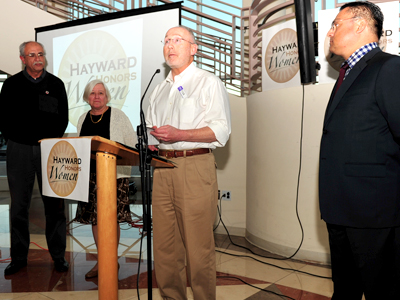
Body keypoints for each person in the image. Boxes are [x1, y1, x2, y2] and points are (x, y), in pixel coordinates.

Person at [319, 2, 400, 299]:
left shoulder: (389, 67)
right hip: (340, 208)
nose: (329, 32)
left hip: (374, 213)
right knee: (345, 291)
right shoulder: (347, 73)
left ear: (359, 25)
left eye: (336, 24)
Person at [146, 26, 231, 300]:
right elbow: (151, 129)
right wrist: (150, 141)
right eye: (167, 40)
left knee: (198, 247)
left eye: (178, 40)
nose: (170, 45)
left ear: (193, 48)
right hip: (162, 167)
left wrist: (181, 134)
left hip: (194, 167)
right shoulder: (158, 90)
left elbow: (221, 131)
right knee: (165, 247)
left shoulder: (208, 82)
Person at [0, 41, 69, 275]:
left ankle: (58, 256)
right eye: (32, 55)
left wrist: (48, 140)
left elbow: (63, 118)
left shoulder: (56, 84)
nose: (38, 58)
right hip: (19, 150)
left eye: (41, 54)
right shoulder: (10, 85)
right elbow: (3, 120)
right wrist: (18, 138)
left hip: (49, 149)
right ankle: (19, 258)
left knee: (55, 205)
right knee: (19, 206)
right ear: (23, 59)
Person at [74, 79, 137, 279]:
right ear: (87, 97)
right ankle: (103, 260)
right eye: (92, 93)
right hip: (90, 176)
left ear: (107, 96)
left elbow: (132, 145)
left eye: (100, 93)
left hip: (114, 177)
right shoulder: (83, 117)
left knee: (111, 219)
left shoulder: (117, 116)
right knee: (95, 218)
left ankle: (111, 260)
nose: (97, 97)